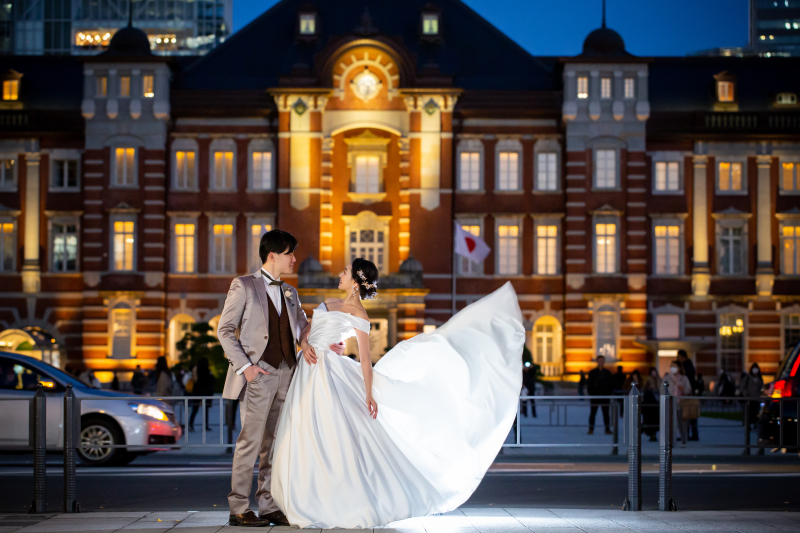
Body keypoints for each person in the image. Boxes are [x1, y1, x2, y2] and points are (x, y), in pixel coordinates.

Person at [270, 260, 525, 528]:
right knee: (302, 432)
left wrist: (369, 394)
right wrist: (306, 343)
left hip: (330, 376)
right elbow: (307, 331)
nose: (340, 275)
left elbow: (366, 360)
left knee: (329, 436)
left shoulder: (360, 315)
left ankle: (330, 500)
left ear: (355, 281)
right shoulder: (329, 301)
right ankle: (304, 496)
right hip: (308, 372)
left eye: (345, 272)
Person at [218, 230, 345, 528]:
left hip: (288, 374)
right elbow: (225, 331)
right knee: (250, 442)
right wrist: (245, 367)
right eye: (290, 253)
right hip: (257, 376)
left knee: (275, 444)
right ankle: (238, 508)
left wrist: (322, 344)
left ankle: (268, 504)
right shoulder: (244, 286)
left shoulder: (290, 292)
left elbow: (302, 329)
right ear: (273, 254)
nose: (295, 259)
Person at [663, 360, 692, 445]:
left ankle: (684, 440)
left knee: (682, 423)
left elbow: (688, 390)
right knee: (670, 423)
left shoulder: (684, 378)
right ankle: (670, 441)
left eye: (675, 366)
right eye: (671, 366)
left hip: (681, 404)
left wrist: (682, 388)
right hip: (670, 404)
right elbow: (662, 389)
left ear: (679, 368)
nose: (673, 368)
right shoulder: (667, 378)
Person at [587, 355, 613, 435]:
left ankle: (607, 429)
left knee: (606, 414)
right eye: (600, 360)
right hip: (595, 396)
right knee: (593, 413)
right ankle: (591, 429)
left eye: (603, 360)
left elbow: (611, 384)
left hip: (605, 397)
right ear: (597, 361)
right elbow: (589, 385)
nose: (601, 362)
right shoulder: (592, 373)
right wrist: (591, 394)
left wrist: (609, 393)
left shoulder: (607, 373)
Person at [189, 357, 216, 432]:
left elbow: (194, 380)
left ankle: (190, 424)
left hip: (197, 392)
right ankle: (205, 425)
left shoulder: (196, 369)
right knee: (205, 410)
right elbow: (211, 381)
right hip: (205, 393)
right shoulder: (207, 371)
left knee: (194, 409)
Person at [677, 350, 699, 441]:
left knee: (688, 414)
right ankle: (690, 434)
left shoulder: (686, 366)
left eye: (679, 357)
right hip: (689, 393)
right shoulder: (689, 365)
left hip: (688, 393)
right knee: (689, 415)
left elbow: (688, 379)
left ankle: (689, 434)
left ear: (683, 357)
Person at [739, 363, 764, 431]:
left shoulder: (759, 378)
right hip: (749, 399)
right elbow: (742, 387)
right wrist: (746, 394)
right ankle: (748, 425)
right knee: (749, 413)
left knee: (756, 413)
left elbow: (761, 388)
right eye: (754, 368)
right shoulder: (747, 377)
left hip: (757, 399)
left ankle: (755, 425)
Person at [642, 367, 660, 441]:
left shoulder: (659, 379)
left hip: (657, 401)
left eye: (655, 371)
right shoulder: (648, 379)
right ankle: (650, 433)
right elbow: (644, 388)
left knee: (656, 419)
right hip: (649, 401)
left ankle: (653, 434)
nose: (654, 373)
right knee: (650, 419)